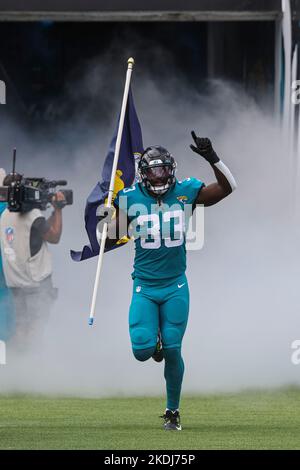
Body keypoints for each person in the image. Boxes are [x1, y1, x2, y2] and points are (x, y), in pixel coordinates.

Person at [99, 131, 237, 431]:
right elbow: (108, 236)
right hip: (145, 286)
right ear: (144, 174)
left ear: (171, 170)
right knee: (141, 350)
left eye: (163, 170)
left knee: (174, 349)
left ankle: (172, 411)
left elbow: (228, 188)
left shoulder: (186, 192)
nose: (159, 177)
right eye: (153, 171)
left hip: (175, 285)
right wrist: (109, 210)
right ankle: (155, 342)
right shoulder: (129, 197)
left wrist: (212, 158)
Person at [0, 172, 66, 346]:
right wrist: (58, 209)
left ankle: (18, 364)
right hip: (36, 283)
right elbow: (54, 236)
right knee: (37, 329)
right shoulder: (32, 215)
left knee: (21, 328)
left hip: (15, 283)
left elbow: (38, 231)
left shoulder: (4, 215)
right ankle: (32, 362)